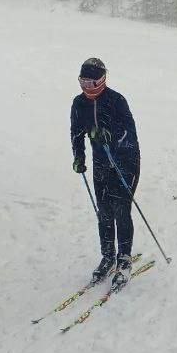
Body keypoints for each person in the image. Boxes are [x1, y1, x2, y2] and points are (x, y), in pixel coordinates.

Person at [70, 57, 141, 284]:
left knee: (121, 210)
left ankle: (124, 259)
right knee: (104, 213)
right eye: (83, 82)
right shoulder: (79, 104)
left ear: (102, 80)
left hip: (125, 162)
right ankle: (108, 256)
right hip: (101, 164)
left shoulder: (116, 101)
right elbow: (76, 133)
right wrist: (79, 157)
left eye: (91, 83)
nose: (86, 88)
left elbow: (130, 133)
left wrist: (112, 138)